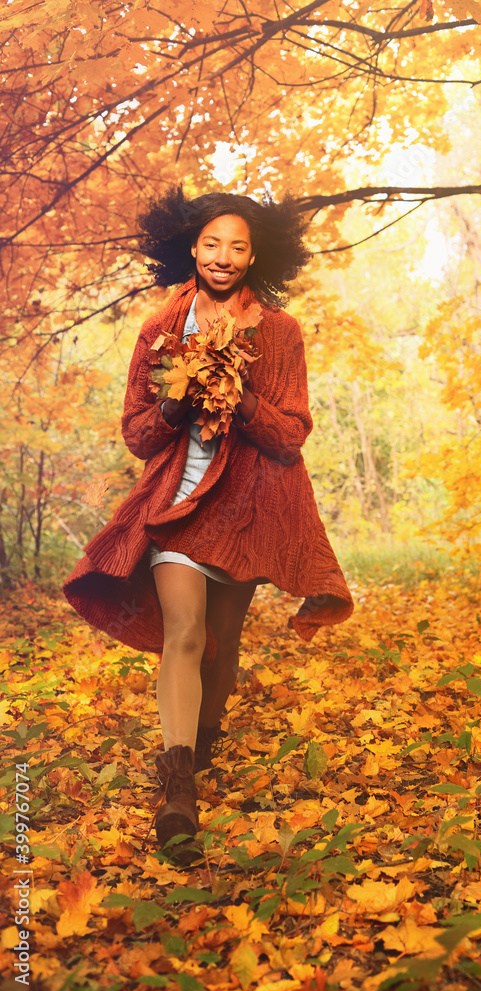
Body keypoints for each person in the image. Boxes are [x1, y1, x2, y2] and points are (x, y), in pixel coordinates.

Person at [63, 187, 354, 859]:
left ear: (255, 257)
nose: (224, 257)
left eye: (238, 247)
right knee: (185, 636)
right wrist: (177, 403)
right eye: (213, 244)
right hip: (176, 504)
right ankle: (177, 793)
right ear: (192, 248)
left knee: (221, 652)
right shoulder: (158, 330)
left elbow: (290, 435)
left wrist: (239, 395)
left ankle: (200, 740)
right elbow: (137, 436)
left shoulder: (279, 332)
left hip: (248, 510)